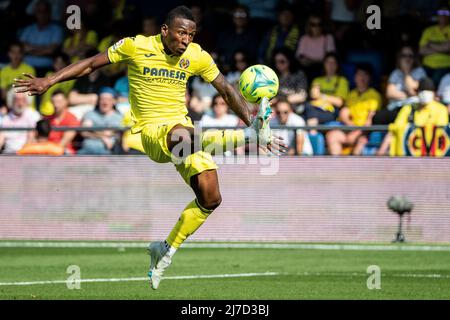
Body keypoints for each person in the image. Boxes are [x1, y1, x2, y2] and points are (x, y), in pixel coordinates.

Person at [14, 5, 284, 290]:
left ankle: (165, 249)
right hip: (155, 133)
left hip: (185, 134)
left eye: (191, 35)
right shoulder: (135, 46)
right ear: (165, 30)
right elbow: (92, 64)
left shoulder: (196, 55)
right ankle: (248, 137)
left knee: (211, 197)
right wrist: (50, 81)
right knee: (184, 135)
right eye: (181, 33)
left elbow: (227, 90)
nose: (186, 40)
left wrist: (251, 118)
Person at [378, 77, 449, 156]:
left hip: (433, 156)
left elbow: (441, 131)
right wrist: (381, 152)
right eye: (422, 90)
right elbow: (395, 128)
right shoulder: (408, 108)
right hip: (408, 156)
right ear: (417, 93)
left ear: (433, 93)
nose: (425, 93)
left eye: (428, 90)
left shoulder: (441, 109)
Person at [326, 63, 382, 155]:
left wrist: (356, 132)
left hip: (364, 133)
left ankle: (353, 168)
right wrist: (351, 127)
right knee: (332, 136)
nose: (362, 78)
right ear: (355, 77)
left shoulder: (374, 95)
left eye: (365, 75)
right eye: (360, 74)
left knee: (361, 142)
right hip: (349, 129)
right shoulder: (351, 95)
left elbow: (369, 122)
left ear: (370, 78)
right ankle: (337, 167)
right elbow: (344, 114)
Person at [303, 52, 349, 132]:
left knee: (311, 117)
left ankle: (312, 135)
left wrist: (321, 96)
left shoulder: (342, 81)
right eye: (328, 62)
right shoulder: (317, 80)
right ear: (324, 64)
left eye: (333, 63)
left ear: (337, 65)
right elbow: (314, 95)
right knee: (307, 108)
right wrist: (329, 98)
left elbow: (339, 102)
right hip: (314, 108)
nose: (330, 65)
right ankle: (313, 134)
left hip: (331, 111)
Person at [18, 0, 64, 76]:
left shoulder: (57, 29)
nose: (42, 14)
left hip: (47, 69)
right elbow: (22, 48)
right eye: (39, 11)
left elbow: (51, 50)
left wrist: (31, 49)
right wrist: (44, 48)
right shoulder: (28, 29)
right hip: (26, 68)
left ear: (50, 13)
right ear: (35, 13)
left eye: (45, 11)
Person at [77, 87, 123, 155]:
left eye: (108, 99)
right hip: (85, 152)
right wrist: (103, 137)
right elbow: (84, 131)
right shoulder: (90, 114)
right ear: (98, 101)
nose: (105, 102)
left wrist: (92, 131)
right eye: (102, 99)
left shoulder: (118, 117)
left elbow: (108, 133)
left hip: (106, 154)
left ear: (113, 101)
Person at [296, 14, 336, 81]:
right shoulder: (304, 38)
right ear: (309, 26)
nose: (316, 27)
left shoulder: (328, 38)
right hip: (306, 69)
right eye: (313, 24)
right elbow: (300, 56)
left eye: (319, 24)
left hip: (322, 70)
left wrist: (311, 60)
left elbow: (330, 57)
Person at [0, 90, 41, 154]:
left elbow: (34, 138)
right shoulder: (5, 119)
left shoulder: (34, 116)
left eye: (23, 100)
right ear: (12, 101)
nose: (20, 103)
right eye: (17, 100)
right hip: (8, 154)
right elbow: (1, 138)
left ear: (27, 100)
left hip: (28, 154)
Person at [419, 7, 450, 86]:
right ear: (437, 15)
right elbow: (422, 50)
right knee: (419, 80)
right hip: (427, 65)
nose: (443, 15)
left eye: (446, 13)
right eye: (440, 12)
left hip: (445, 65)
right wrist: (442, 49)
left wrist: (430, 44)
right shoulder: (428, 30)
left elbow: (448, 47)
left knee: (433, 82)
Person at [46, 90, 80, 155]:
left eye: (59, 102)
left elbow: (63, 143)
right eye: (53, 102)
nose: (56, 105)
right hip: (48, 151)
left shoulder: (72, 119)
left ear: (65, 102)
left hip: (64, 152)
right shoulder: (47, 119)